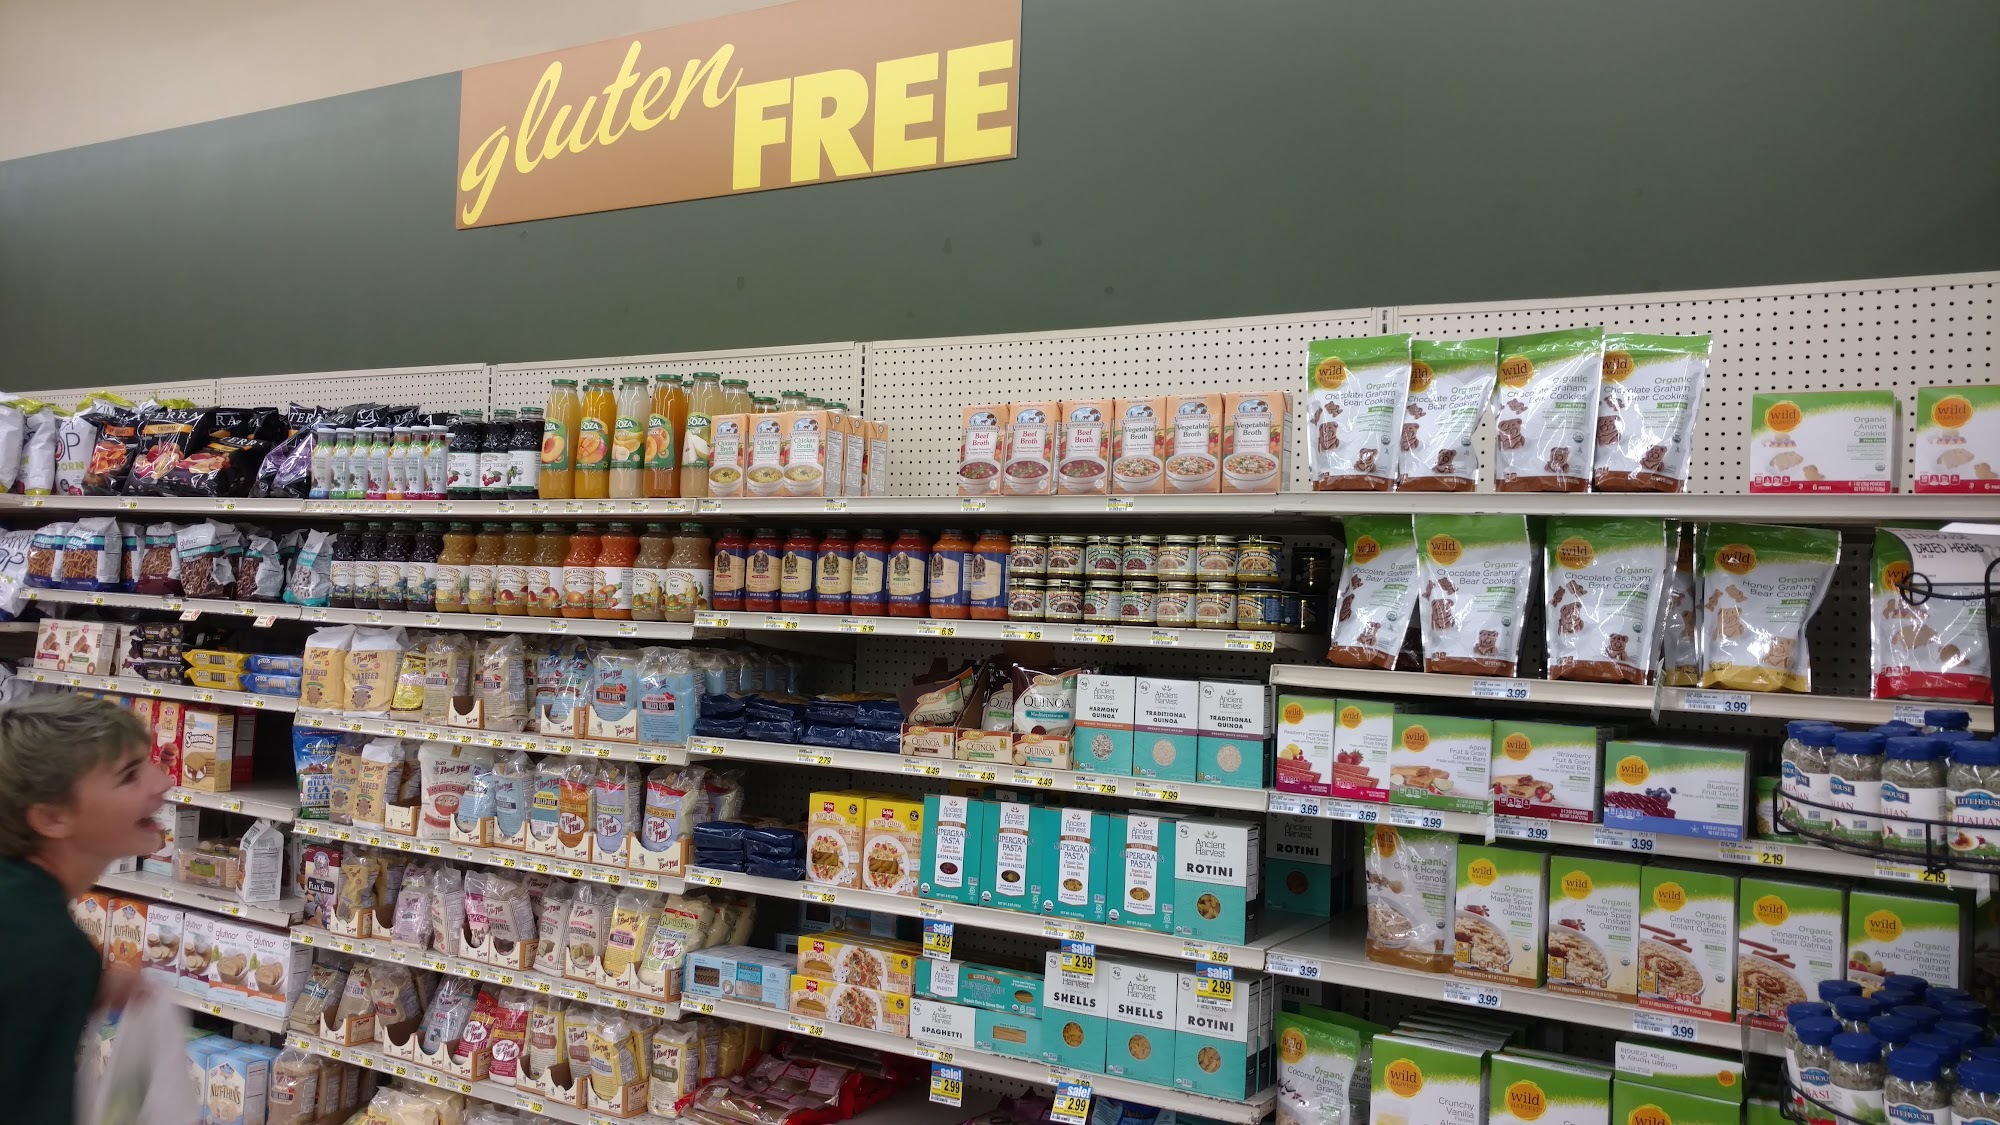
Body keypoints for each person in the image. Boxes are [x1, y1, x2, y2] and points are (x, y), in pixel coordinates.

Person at [0, 695, 173, 1125]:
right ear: (52, 818)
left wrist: (90, 989)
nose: (162, 782)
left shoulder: (26, 915)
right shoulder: (49, 948)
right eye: (129, 776)